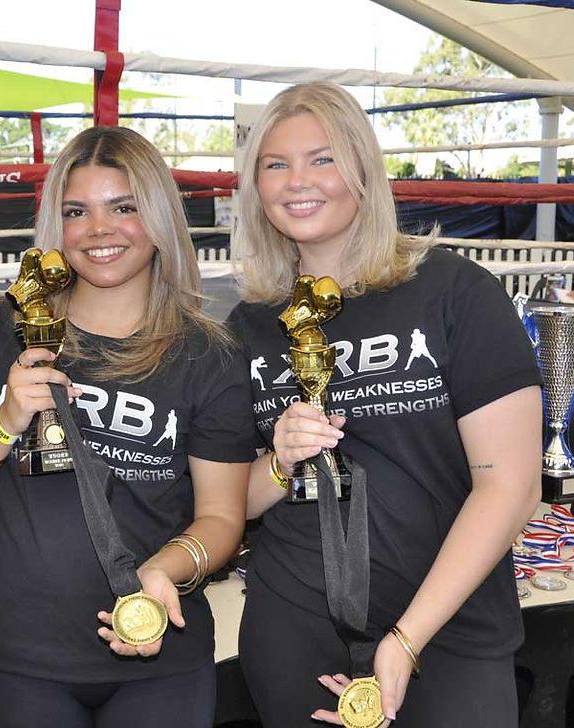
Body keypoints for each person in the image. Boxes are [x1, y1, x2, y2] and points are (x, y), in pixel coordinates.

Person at [227, 82, 542, 727]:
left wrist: (406, 639)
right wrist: (282, 461)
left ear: (364, 170)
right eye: (276, 165)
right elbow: (229, 500)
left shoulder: (456, 293)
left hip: (449, 627)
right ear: (255, 187)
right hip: (296, 625)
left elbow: (510, 488)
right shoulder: (251, 324)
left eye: (324, 158)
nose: (298, 181)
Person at [0, 125, 255, 727]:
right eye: (76, 211)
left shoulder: (209, 354)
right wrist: (5, 422)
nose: (99, 229)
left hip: (161, 656)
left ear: (160, 217)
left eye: (124, 207)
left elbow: (222, 516)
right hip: (25, 657)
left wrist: (163, 571)